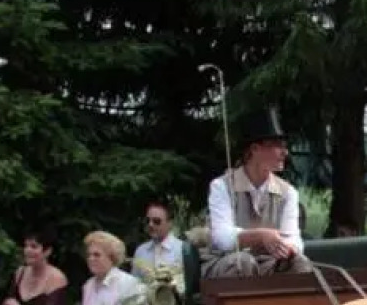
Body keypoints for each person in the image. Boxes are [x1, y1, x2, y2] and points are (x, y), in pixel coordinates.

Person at [204, 108, 311, 278]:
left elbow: (294, 238)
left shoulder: (288, 193)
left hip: (267, 264)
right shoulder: (221, 186)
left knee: (300, 263)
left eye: (284, 146)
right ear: (255, 149)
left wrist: (288, 247)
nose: (285, 152)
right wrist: (260, 236)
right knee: (243, 262)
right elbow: (222, 238)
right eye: (277, 146)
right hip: (225, 263)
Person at [132, 201, 185, 280]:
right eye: (147, 220)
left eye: (156, 221)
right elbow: (134, 283)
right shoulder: (141, 250)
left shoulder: (183, 250)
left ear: (169, 223)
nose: (150, 224)